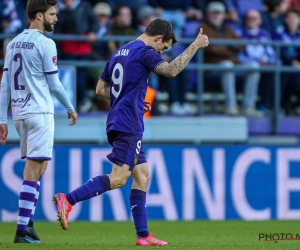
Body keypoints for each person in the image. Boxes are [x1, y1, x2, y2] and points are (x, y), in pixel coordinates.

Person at [53, 18, 208, 246]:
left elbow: (101, 88)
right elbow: (171, 70)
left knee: (142, 175)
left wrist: (132, 100)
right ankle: (68, 199)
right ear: (158, 38)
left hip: (119, 119)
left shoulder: (120, 52)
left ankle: (143, 235)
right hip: (129, 123)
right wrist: (195, 45)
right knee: (118, 178)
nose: (161, 51)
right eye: (163, 47)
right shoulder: (145, 52)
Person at [0, 0, 78, 244]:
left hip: (20, 114)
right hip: (40, 112)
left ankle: (28, 224)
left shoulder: (12, 43)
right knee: (34, 170)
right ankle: (22, 231)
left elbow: (4, 85)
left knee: (39, 167)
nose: (56, 19)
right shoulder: (46, 43)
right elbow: (54, 83)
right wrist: (70, 107)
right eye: (52, 14)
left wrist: (3, 118)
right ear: (38, 16)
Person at [202, 1, 261, 116]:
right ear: (208, 15)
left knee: (254, 66)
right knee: (227, 65)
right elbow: (211, 48)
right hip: (212, 67)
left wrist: (224, 47)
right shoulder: (203, 28)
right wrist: (229, 48)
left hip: (231, 64)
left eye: (219, 13)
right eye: (213, 13)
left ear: (224, 15)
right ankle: (230, 106)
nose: (216, 16)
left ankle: (248, 106)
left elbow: (240, 44)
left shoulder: (227, 28)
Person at [55, 0, 98, 113]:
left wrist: (93, 32)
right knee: (70, 74)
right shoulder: (59, 10)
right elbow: (57, 30)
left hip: (83, 47)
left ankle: (83, 100)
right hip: (68, 47)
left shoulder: (85, 6)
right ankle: (74, 102)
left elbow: (94, 22)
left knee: (82, 75)